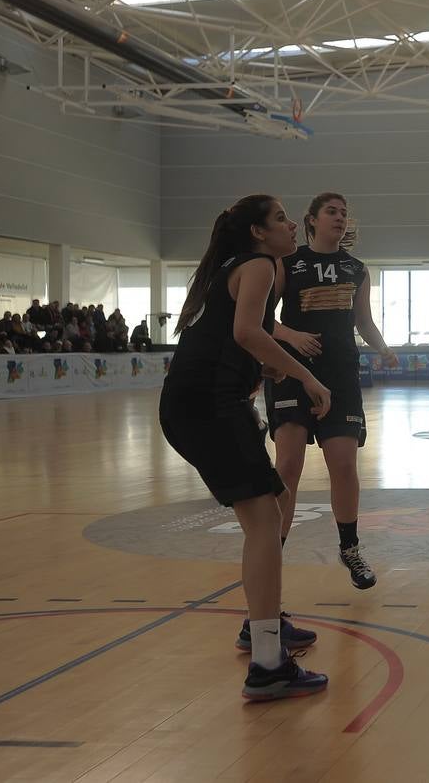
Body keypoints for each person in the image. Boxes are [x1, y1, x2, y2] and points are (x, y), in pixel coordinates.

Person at [159, 195, 330, 701]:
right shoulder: (258, 263)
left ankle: (262, 630)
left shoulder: (240, 266)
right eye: (281, 218)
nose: (292, 223)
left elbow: (235, 339)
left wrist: (266, 368)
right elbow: (245, 331)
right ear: (258, 232)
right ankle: (268, 663)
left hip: (199, 404)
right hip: (208, 406)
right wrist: (308, 377)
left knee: (268, 512)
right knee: (265, 521)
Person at [264, 193, 398, 593]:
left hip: (340, 376)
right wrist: (292, 336)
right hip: (292, 372)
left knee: (343, 465)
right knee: (288, 466)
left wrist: (384, 348)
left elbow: (364, 321)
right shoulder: (287, 263)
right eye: (332, 212)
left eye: (344, 212)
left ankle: (350, 547)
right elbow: (261, 318)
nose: (340, 218)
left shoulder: (356, 269)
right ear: (312, 221)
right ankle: (272, 549)